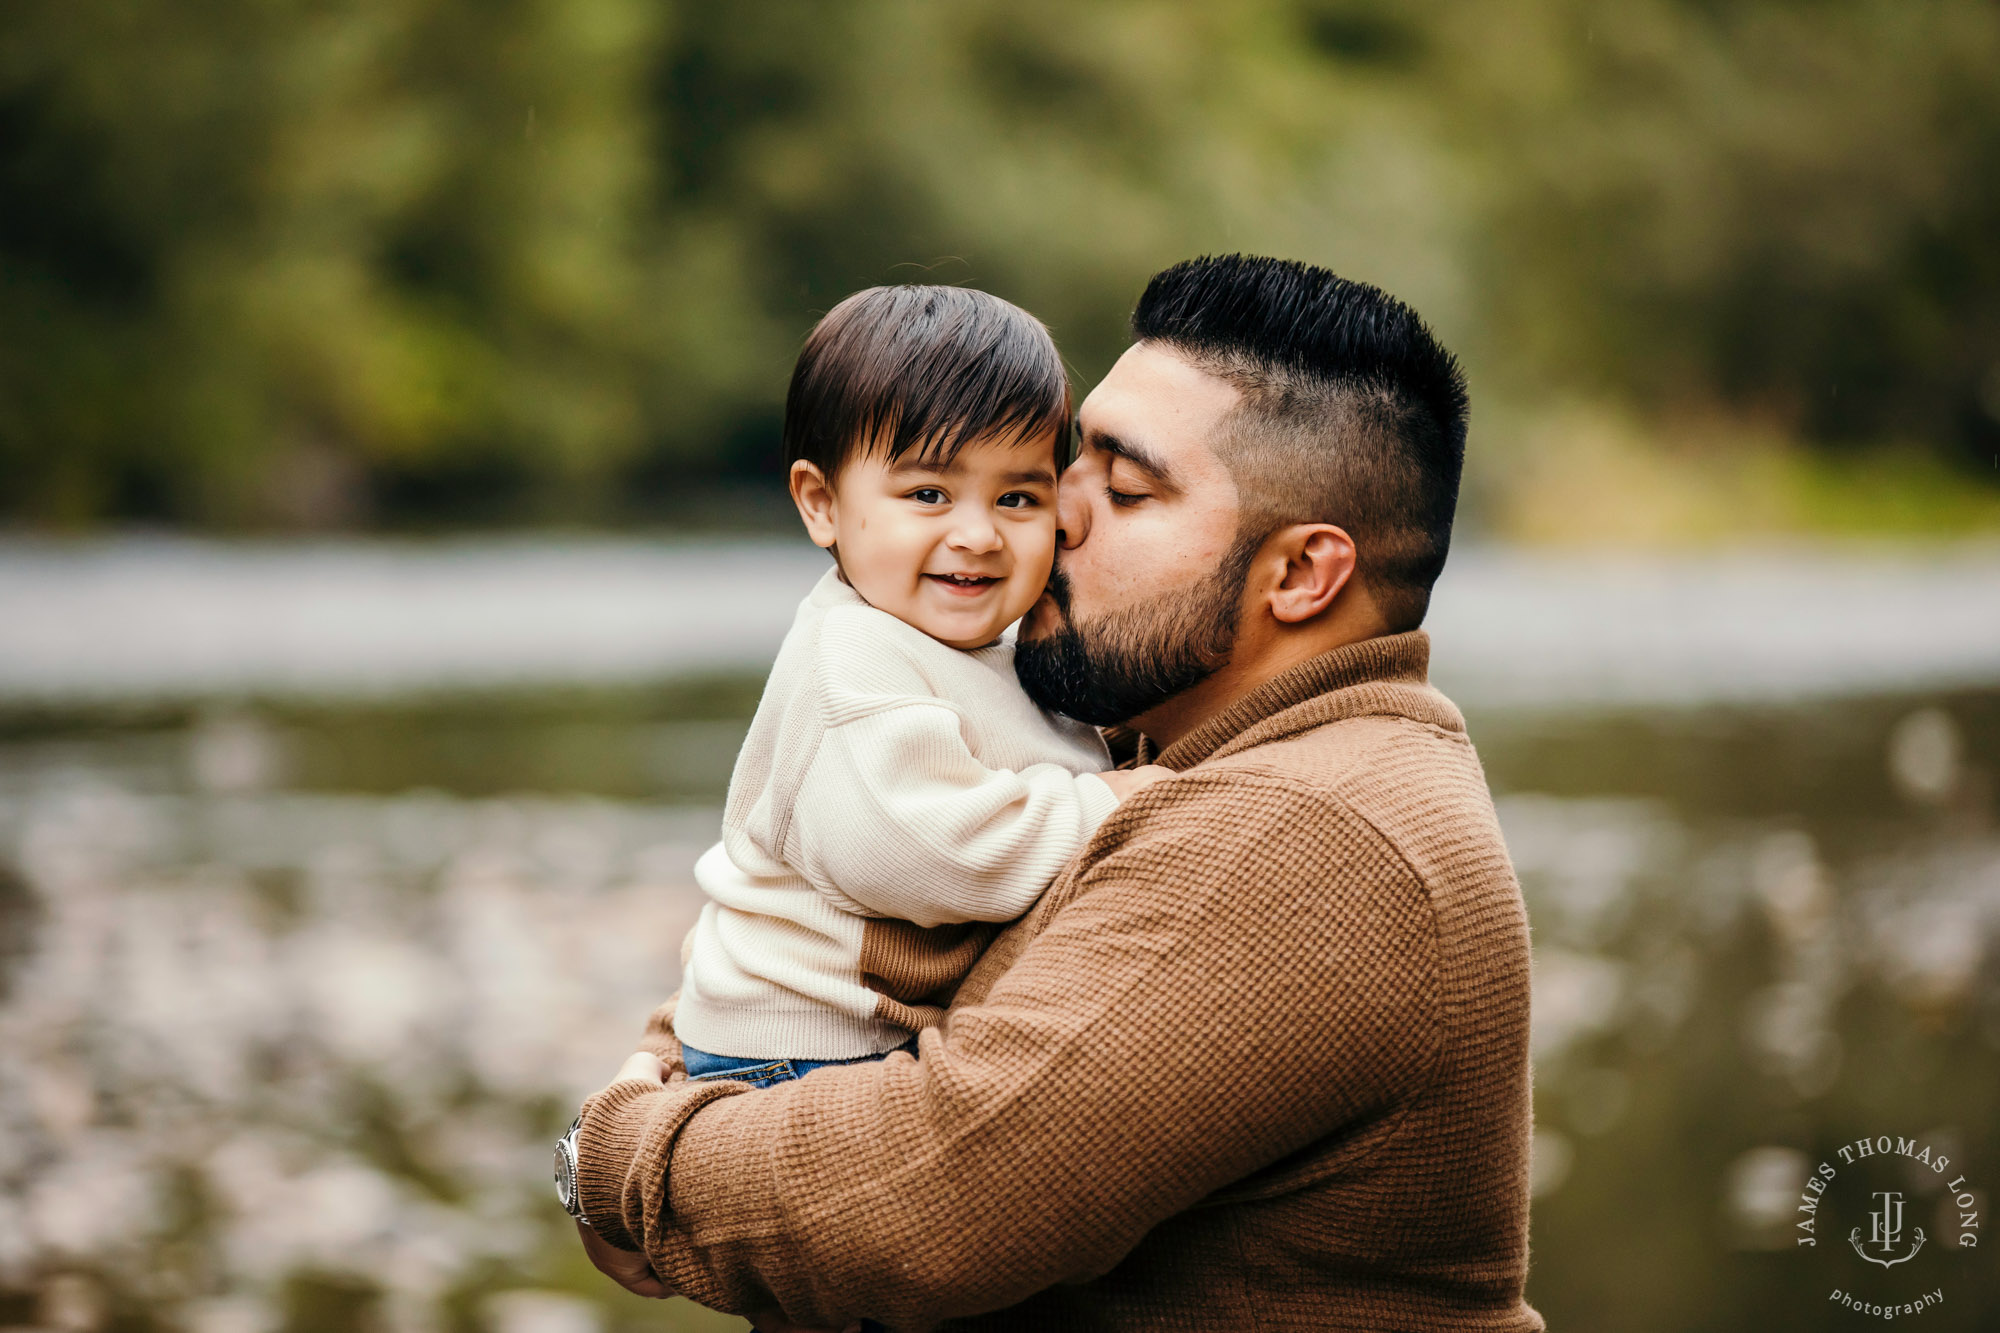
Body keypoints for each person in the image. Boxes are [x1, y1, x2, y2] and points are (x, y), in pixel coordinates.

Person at [564, 255, 1543, 1332]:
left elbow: (930, 1199)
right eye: (1073, 461)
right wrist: (686, 1045)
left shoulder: (1304, 833)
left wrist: (616, 1156)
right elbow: (848, 919)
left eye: (1123, 488)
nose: (1047, 515)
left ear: (1301, 576)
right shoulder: (1185, 752)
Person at [662, 284, 1170, 1094]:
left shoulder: (985, 642)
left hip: (869, 1028)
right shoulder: (853, 659)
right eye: (928, 494)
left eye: (1017, 497)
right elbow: (926, 850)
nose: (976, 534)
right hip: (801, 1047)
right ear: (822, 503)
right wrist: (1109, 804)